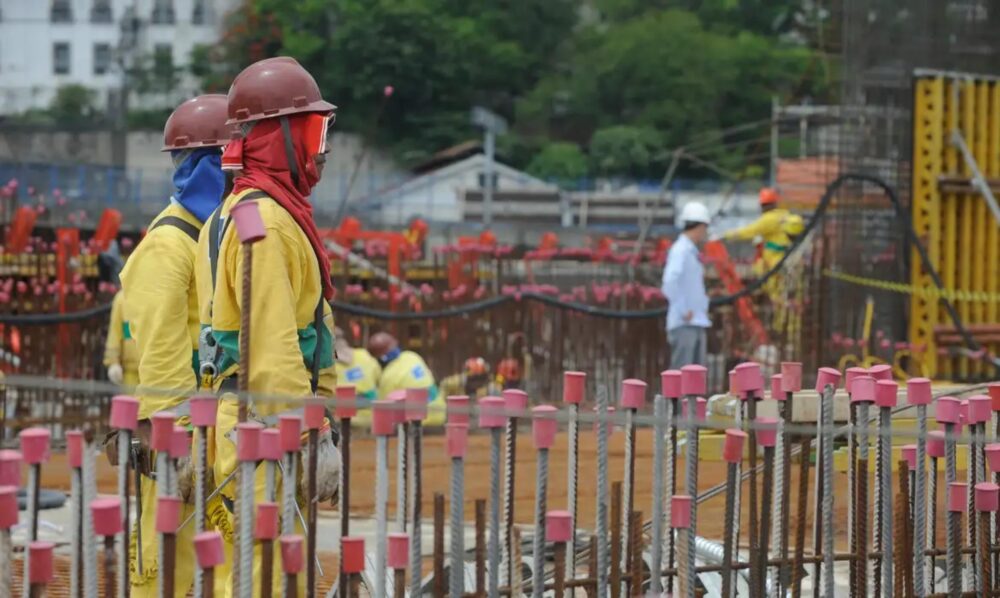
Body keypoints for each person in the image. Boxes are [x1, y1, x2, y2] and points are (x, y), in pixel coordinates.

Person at [195, 56, 341, 596]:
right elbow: (274, 339)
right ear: (279, 137)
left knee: (263, 576)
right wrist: (310, 432)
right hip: (265, 430)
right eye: (313, 132)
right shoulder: (268, 225)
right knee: (266, 581)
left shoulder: (247, 210)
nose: (321, 149)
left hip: (255, 425)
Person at [117, 94, 236, 596]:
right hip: (182, 437)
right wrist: (180, 434)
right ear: (210, 165)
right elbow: (161, 349)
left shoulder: (209, 236)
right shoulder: (170, 244)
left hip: (213, 430)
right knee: (165, 563)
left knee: (220, 557)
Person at [662, 201, 712, 368]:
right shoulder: (681, 250)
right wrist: (683, 310)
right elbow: (669, 282)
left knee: (695, 378)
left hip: (695, 321)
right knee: (681, 377)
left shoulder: (690, 251)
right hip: (684, 323)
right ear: (699, 226)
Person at [367, 331, 444, 425]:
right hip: (440, 415)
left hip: (417, 423)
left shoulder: (388, 377)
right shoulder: (412, 356)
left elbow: (383, 413)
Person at [333, 327, 382, 428]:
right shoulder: (364, 355)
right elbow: (379, 380)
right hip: (373, 420)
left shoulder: (326, 366)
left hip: (342, 423)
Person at [104, 289, 138, 387]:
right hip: (130, 372)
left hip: (156, 371)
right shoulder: (121, 299)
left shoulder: (158, 295)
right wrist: (113, 362)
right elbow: (115, 334)